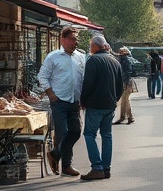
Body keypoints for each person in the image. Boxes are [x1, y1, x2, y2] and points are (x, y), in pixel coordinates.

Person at [38, 26, 86, 177]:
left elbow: (83, 79)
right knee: (63, 133)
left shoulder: (80, 57)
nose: (75, 43)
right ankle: (66, 165)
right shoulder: (53, 57)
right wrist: (51, 94)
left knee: (76, 132)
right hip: (59, 100)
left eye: (76, 40)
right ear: (62, 40)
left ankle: (55, 154)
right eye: (72, 39)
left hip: (74, 101)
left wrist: (83, 98)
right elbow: (42, 76)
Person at [79, 34, 123, 181]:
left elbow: (88, 84)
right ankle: (106, 168)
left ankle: (97, 167)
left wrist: (83, 101)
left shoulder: (93, 60)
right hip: (109, 105)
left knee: (89, 134)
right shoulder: (114, 61)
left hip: (96, 105)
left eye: (91, 45)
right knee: (107, 136)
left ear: (95, 46)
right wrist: (114, 100)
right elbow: (120, 87)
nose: (90, 48)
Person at [114, 46, 136, 124]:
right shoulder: (126, 59)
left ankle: (129, 117)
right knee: (124, 100)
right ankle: (124, 117)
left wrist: (125, 82)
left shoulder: (124, 60)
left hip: (125, 82)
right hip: (127, 82)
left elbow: (127, 72)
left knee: (125, 100)